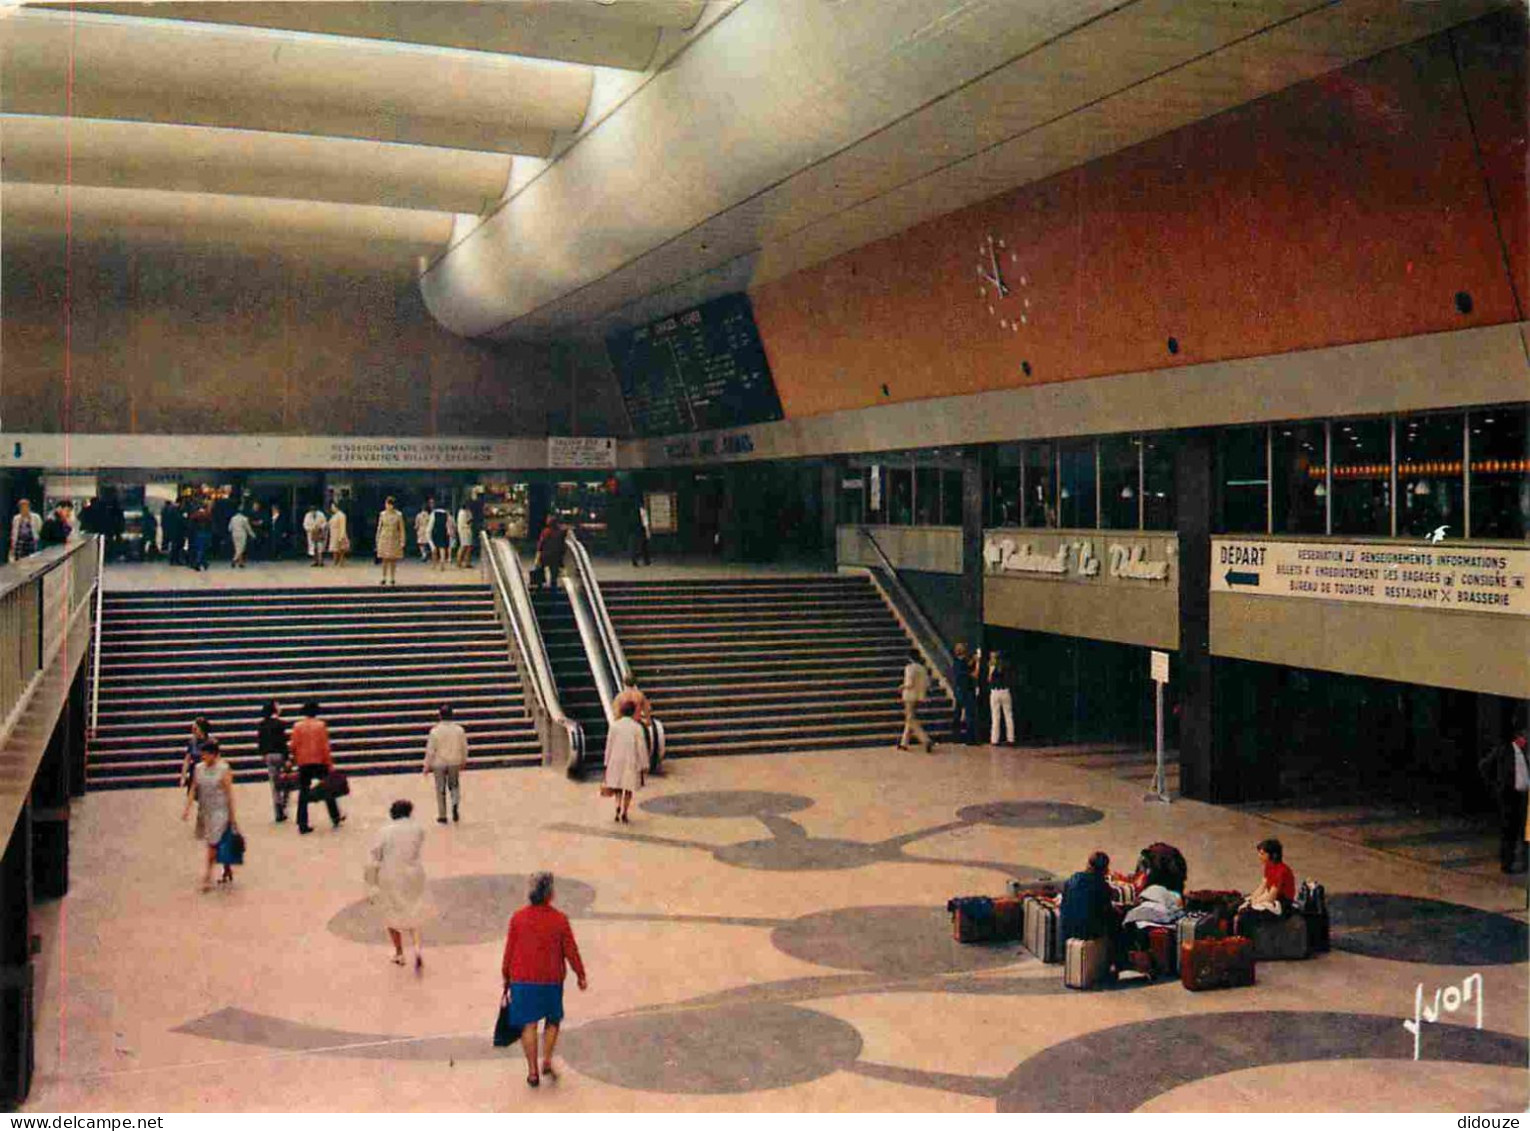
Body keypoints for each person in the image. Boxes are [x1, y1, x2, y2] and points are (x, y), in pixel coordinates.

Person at [501, 872, 587, 1088]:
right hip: (551, 979)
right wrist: (580, 974)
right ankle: (547, 1060)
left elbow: (509, 950)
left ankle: (532, 1072)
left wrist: (506, 976)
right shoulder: (560, 920)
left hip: (522, 978)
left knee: (528, 1025)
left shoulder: (518, 918)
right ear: (550, 894)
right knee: (552, 1020)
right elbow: (571, 951)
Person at [367, 800, 428, 971]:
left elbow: (375, 854)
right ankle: (417, 948)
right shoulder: (419, 829)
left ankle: (399, 953)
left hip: (391, 875)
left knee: (391, 912)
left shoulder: (384, 831)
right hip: (414, 874)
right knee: (413, 910)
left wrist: (371, 878)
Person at [181, 739, 238, 892]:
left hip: (221, 810)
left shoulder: (224, 769)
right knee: (217, 840)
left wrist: (232, 816)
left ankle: (207, 876)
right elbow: (193, 788)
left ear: (214, 755)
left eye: (206, 754)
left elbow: (228, 793)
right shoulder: (199, 769)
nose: (203, 757)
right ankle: (227, 867)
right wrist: (188, 808)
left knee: (212, 843)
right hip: (206, 810)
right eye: (202, 755)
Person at [1478, 723, 1529, 874]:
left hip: (1524, 795)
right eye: (1523, 736)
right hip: (1509, 795)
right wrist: (1496, 784)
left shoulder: (1526, 752)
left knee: (1525, 831)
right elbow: (1484, 765)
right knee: (1509, 830)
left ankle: (1525, 862)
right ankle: (1507, 863)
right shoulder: (1505, 750)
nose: (1525, 739)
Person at [291, 700, 344, 834]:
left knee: (303, 792)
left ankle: (302, 823)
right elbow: (325, 747)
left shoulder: (297, 726)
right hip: (319, 761)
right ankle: (335, 817)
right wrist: (330, 764)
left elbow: (294, 746)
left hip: (304, 762)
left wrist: (294, 761)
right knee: (328, 789)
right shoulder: (321, 726)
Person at [1060, 851, 1117, 953]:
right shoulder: (1102, 886)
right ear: (1105, 869)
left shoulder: (1073, 879)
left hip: (1067, 929)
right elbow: (1106, 912)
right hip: (1088, 932)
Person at [1236, 837, 1296, 933]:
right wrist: (1251, 899)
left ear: (1273, 855)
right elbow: (1263, 886)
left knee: (1246, 915)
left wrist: (1252, 904)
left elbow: (1271, 897)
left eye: (1262, 854)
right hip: (1270, 898)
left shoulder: (1281, 871)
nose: (1259, 856)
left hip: (1281, 903)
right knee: (1237, 904)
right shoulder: (1268, 866)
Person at [422, 703, 469, 824]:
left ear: (440, 716)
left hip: (439, 762)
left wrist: (426, 766)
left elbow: (431, 750)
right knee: (454, 785)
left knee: (440, 788)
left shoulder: (435, 731)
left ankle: (442, 815)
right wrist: (464, 760)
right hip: (454, 761)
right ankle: (454, 803)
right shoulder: (459, 730)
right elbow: (464, 747)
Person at [602, 698, 647, 823]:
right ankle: (624, 812)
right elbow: (641, 747)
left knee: (617, 787)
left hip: (615, 759)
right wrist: (644, 763)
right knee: (628, 788)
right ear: (633, 712)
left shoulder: (614, 726)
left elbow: (609, 745)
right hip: (631, 760)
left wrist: (606, 762)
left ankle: (617, 805)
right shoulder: (637, 728)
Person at [257, 700, 290, 823]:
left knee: (274, 783)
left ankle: (278, 810)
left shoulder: (262, 724)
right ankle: (284, 803)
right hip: (280, 755)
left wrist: (263, 754)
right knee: (286, 780)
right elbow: (283, 742)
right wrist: (287, 758)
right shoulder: (280, 724)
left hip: (269, 755)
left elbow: (260, 741)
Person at [897, 648, 935, 752]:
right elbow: (927, 683)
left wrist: (902, 687)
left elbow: (909, 683)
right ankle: (904, 743)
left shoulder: (909, 668)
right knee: (910, 718)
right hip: (919, 696)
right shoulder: (922, 668)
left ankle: (926, 740)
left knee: (910, 719)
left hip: (909, 696)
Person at [179, 716, 212, 800]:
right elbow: (187, 760)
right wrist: (183, 776)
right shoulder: (192, 742)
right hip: (194, 775)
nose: (193, 730)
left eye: (196, 728)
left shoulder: (210, 743)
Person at [375, 496, 406, 586]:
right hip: (384, 538)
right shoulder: (382, 514)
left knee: (393, 559)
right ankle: (384, 577)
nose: (388, 506)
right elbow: (379, 527)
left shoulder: (398, 515)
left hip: (394, 538)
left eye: (390, 505)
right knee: (384, 559)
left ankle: (392, 577)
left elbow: (401, 529)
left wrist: (402, 540)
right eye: (387, 504)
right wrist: (377, 538)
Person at [988, 650, 1016, 745]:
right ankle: (1011, 738)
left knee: (995, 717)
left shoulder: (992, 667)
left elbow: (989, 679)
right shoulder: (1006, 666)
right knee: (1008, 716)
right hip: (1005, 691)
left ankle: (994, 739)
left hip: (995, 692)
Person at [951, 642, 977, 744]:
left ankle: (956, 736)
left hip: (960, 689)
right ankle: (970, 738)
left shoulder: (957, 662)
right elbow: (966, 673)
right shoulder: (961, 663)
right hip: (965, 690)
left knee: (958, 713)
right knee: (969, 713)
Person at [536, 516, 566, 589]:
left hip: (545, 554)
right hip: (555, 554)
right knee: (554, 570)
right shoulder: (560, 532)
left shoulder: (545, 531)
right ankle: (553, 584)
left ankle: (540, 583)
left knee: (540, 567)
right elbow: (562, 544)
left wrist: (538, 552)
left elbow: (541, 543)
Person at [430, 500, 451, 572]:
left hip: (435, 531)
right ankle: (442, 562)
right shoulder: (446, 514)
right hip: (443, 531)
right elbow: (448, 523)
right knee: (442, 547)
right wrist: (449, 531)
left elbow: (431, 523)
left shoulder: (434, 513)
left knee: (434, 547)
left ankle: (434, 564)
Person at [327, 502, 350, 567]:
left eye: (333, 507)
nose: (332, 508)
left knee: (341, 549)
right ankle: (335, 562)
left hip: (339, 533)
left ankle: (341, 562)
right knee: (334, 549)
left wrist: (341, 536)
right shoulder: (334, 515)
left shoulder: (341, 515)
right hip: (333, 534)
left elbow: (342, 526)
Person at [630, 497, 651, 567]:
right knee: (643, 544)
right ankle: (645, 560)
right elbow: (645, 521)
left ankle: (636, 559)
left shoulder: (632, 511)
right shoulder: (642, 511)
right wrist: (647, 531)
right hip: (640, 529)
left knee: (636, 545)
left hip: (634, 529)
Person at [455, 501, 474, 569]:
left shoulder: (466, 512)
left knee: (468, 547)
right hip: (464, 530)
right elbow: (467, 521)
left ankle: (467, 562)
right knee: (463, 546)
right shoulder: (462, 513)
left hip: (467, 530)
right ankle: (459, 561)